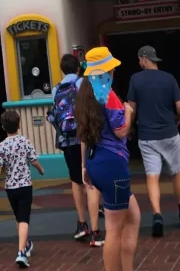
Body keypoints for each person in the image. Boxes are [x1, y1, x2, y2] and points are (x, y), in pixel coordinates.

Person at [76, 47, 141, 271]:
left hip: (96, 163)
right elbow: (121, 130)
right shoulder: (109, 95)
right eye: (112, 68)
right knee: (113, 229)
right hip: (113, 164)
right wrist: (129, 112)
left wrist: (84, 165)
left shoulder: (84, 95)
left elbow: (84, 134)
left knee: (133, 216)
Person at [126, 45, 180, 237]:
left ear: (144, 59)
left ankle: (157, 214)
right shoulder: (169, 78)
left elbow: (131, 108)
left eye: (139, 59)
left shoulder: (135, 79)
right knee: (177, 172)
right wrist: (176, 121)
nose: (139, 63)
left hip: (147, 136)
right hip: (170, 133)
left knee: (152, 176)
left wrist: (129, 129)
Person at [50, 53, 104, 246]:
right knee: (90, 180)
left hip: (66, 140)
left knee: (75, 180)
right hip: (85, 137)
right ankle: (96, 228)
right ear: (78, 68)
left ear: (62, 69)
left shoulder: (56, 89)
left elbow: (54, 115)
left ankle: (82, 223)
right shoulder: (83, 84)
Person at [0, 109, 44, 268]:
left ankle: (25, 244)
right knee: (24, 218)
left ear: (3, 127)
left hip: (10, 187)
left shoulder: (1, 146)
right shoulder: (25, 142)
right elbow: (34, 161)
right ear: (19, 125)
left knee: (17, 216)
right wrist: (41, 170)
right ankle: (21, 252)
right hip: (25, 185)